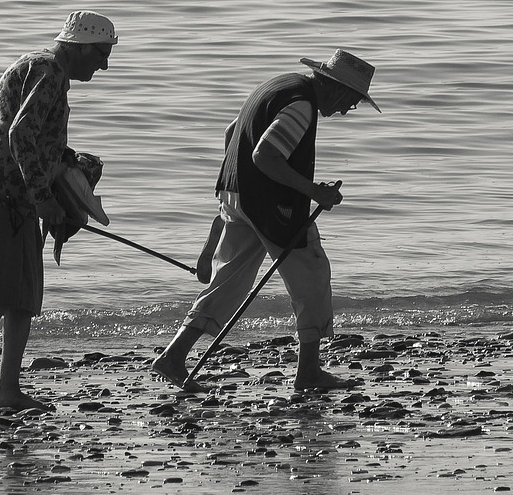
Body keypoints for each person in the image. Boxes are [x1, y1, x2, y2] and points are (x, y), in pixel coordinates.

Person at [152, 49, 381, 394]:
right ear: (337, 88)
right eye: (352, 100)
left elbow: (232, 132)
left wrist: (236, 183)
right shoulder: (303, 104)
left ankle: (174, 356)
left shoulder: (277, 85)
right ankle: (309, 374)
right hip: (272, 205)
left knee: (227, 281)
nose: (349, 109)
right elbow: (265, 154)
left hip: (236, 195)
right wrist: (314, 192)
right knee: (312, 275)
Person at [0, 10, 116, 414]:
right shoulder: (48, 71)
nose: (104, 64)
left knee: (24, 296)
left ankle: (7, 389)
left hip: (21, 195)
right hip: (5, 193)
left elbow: (35, 134)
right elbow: (19, 133)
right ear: (80, 47)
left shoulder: (49, 72)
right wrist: (43, 196)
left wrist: (64, 165)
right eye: (101, 53)